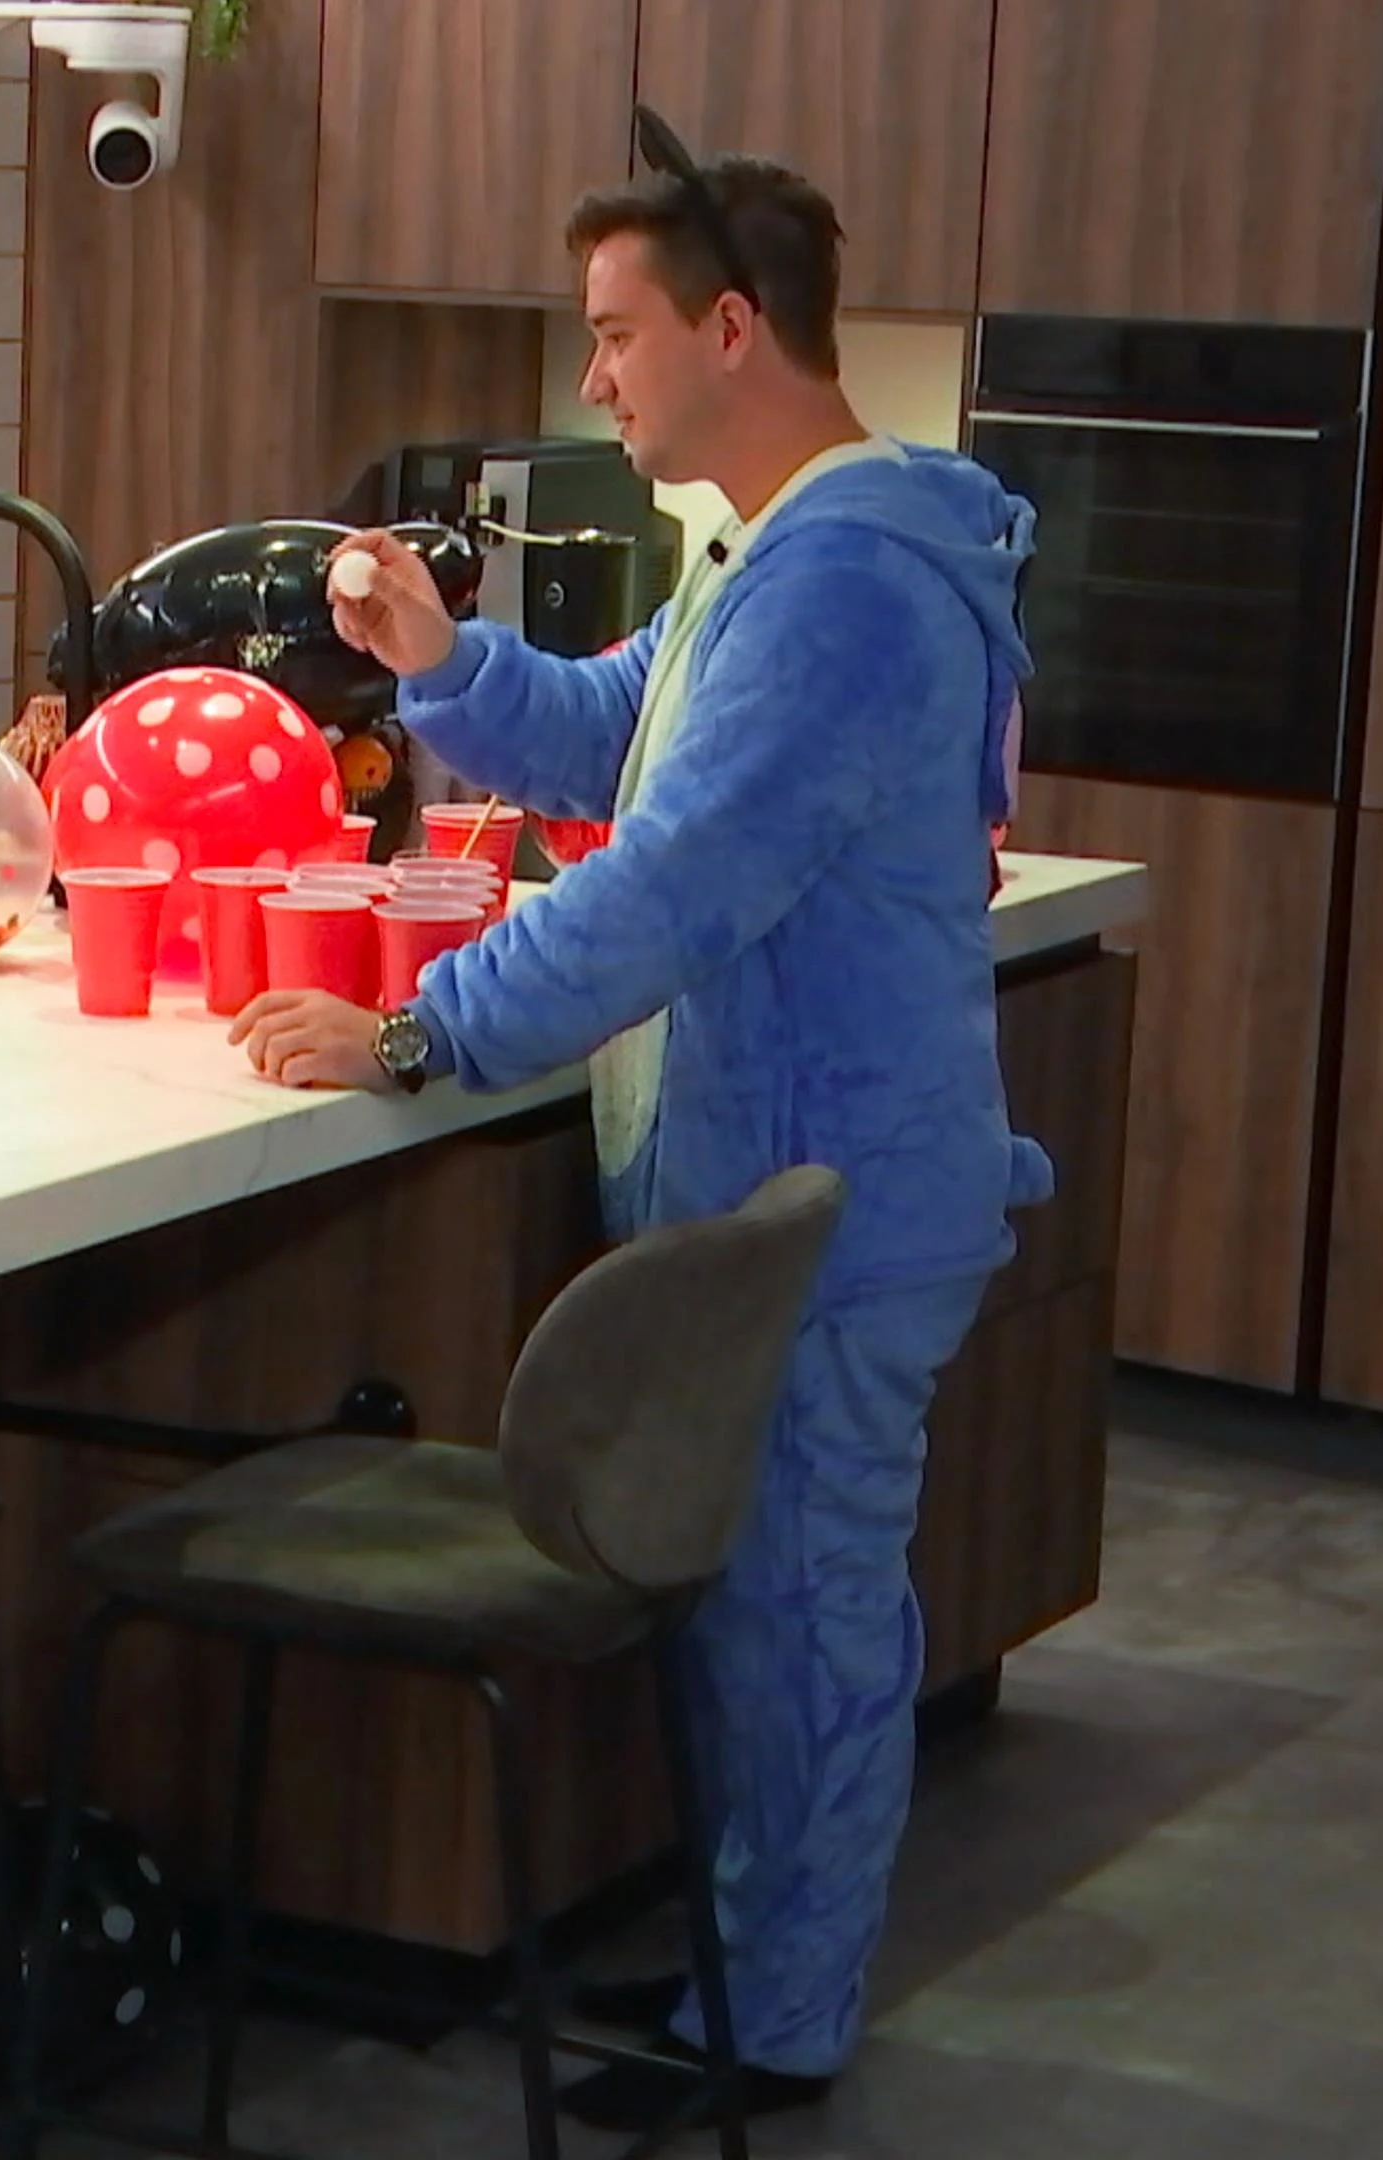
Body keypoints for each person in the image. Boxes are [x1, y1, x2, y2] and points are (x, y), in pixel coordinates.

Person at [235, 139, 1045, 2128]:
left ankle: (774, 2031)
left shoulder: (846, 581)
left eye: (615, 336)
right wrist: (441, 663)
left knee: (804, 1616)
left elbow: (670, 883)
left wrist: (418, 1032)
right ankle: (744, 1968)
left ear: (730, 328)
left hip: (834, 1205)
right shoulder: (773, 552)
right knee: (767, 1609)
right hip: (797, 1190)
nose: (593, 378)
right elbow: (623, 727)